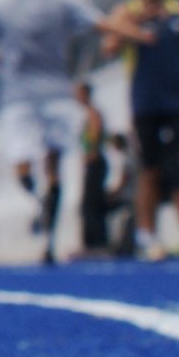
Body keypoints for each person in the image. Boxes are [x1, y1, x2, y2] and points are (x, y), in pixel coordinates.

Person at [0, 0, 101, 264]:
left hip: (22, 96)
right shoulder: (60, 0)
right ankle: (46, 218)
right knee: (50, 166)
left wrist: (5, 58)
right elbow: (100, 24)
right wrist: (139, 34)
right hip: (51, 95)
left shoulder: (2, 7)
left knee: (30, 166)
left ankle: (42, 216)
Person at [101, 0, 179, 258]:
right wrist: (131, 26)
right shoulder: (127, 13)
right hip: (146, 103)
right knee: (150, 172)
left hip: (178, 100)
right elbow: (108, 48)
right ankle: (147, 235)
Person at [74, 83, 125, 256]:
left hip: (95, 162)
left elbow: (95, 137)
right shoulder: (88, 114)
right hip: (92, 162)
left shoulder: (94, 113)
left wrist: (91, 155)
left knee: (92, 203)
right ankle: (93, 242)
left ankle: (97, 243)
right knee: (89, 203)